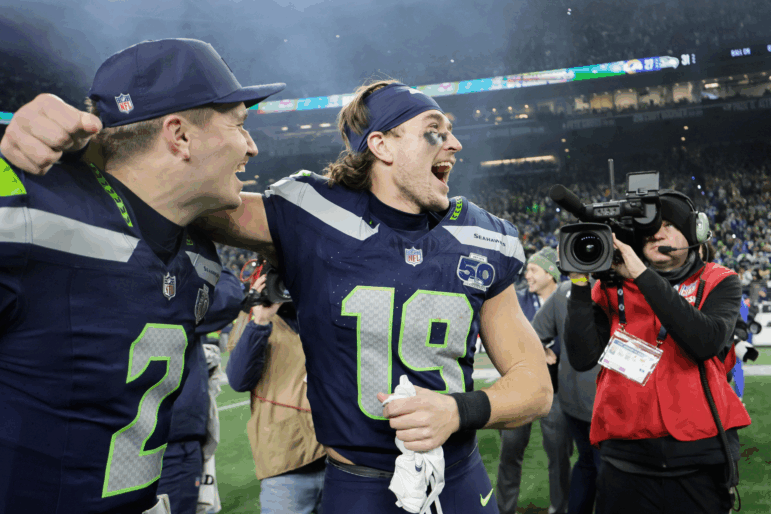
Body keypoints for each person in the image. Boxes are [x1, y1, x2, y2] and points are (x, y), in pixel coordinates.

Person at [1, 79, 554, 514]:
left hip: (457, 477)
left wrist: (461, 408)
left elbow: (534, 384)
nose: (454, 142)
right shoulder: (310, 214)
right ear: (381, 145)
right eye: (435, 130)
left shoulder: (482, 234)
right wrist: (74, 145)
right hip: (358, 484)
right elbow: (165, 185)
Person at [0, 38, 284, 514]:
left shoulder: (198, 254)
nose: (252, 146)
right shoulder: (29, 211)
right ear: (179, 135)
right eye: (240, 125)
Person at [565, 190, 752, 514]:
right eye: (649, 226)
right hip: (625, 457)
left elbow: (704, 342)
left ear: (695, 232)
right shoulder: (609, 286)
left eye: (668, 224)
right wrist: (580, 285)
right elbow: (582, 358)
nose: (656, 231)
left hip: (699, 455)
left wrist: (640, 273)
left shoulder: (719, 281)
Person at [226, 267, 326, 514]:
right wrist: (260, 319)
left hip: (337, 460)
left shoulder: (322, 316)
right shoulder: (256, 320)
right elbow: (238, 380)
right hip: (285, 465)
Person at [157, 268, 244, 514]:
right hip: (171, 438)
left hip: (160, 434)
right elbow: (226, 300)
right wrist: (214, 261)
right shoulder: (167, 290)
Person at [496, 247, 572, 514]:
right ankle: (504, 509)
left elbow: (581, 339)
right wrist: (539, 351)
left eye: (533, 270)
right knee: (509, 453)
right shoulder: (515, 300)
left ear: (551, 274)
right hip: (518, 389)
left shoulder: (570, 298)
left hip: (557, 390)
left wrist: (556, 351)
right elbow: (503, 338)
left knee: (559, 456)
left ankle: (559, 508)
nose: (526, 275)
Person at [529, 272, 601, 514]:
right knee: (608, 472)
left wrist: (545, 350)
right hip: (605, 403)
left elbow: (533, 334)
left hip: (574, 399)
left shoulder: (564, 291)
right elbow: (534, 336)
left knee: (587, 463)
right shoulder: (566, 291)